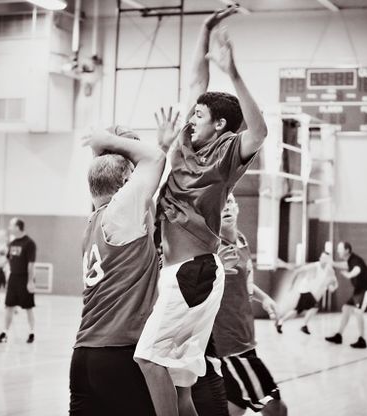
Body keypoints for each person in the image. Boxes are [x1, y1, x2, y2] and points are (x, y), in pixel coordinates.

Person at [134, 6, 268, 415]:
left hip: (193, 273)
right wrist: (205, 28)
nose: (190, 118)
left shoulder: (227, 153)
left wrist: (235, 73)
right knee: (180, 386)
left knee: (149, 359)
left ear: (222, 125)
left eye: (200, 115)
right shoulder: (185, 144)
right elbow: (196, 79)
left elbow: (259, 131)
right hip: (185, 273)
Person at [70, 126, 165, 415]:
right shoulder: (120, 212)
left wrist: (103, 151)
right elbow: (155, 160)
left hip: (84, 358)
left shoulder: (92, 226)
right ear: (125, 182)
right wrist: (109, 141)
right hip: (119, 354)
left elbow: (107, 174)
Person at [195, 194, 287, 416]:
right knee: (275, 407)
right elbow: (196, 286)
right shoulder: (212, 247)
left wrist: (264, 298)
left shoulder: (242, 241)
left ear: (237, 208)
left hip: (246, 338)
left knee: (234, 409)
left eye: (229, 202)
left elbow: (245, 283)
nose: (225, 207)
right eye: (220, 204)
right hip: (231, 346)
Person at [325, 242, 367, 349]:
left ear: (347, 250)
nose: (338, 251)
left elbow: (357, 269)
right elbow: (345, 265)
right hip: (359, 290)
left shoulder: (355, 260)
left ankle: (362, 340)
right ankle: (339, 335)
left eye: (340, 249)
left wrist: (349, 275)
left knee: (358, 312)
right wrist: (332, 263)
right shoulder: (350, 260)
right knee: (346, 308)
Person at [276, 250, 338, 335]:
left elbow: (334, 281)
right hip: (304, 289)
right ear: (320, 258)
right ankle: (304, 325)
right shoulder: (314, 266)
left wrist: (333, 287)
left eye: (326, 258)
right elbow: (297, 271)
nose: (324, 259)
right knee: (315, 306)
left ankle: (280, 321)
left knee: (297, 311)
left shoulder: (329, 270)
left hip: (310, 291)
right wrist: (292, 285)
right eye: (323, 257)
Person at [0, 218, 36, 343]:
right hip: (13, 278)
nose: (9, 228)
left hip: (25, 278)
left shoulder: (29, 243)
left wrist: (30, 281)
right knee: (9, 306)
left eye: (11, 226)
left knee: (28, 307)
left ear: (18, 227)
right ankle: (5, 332)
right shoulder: (12, 243)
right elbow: (6, 260)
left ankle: (31, 332)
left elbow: (31, 265)